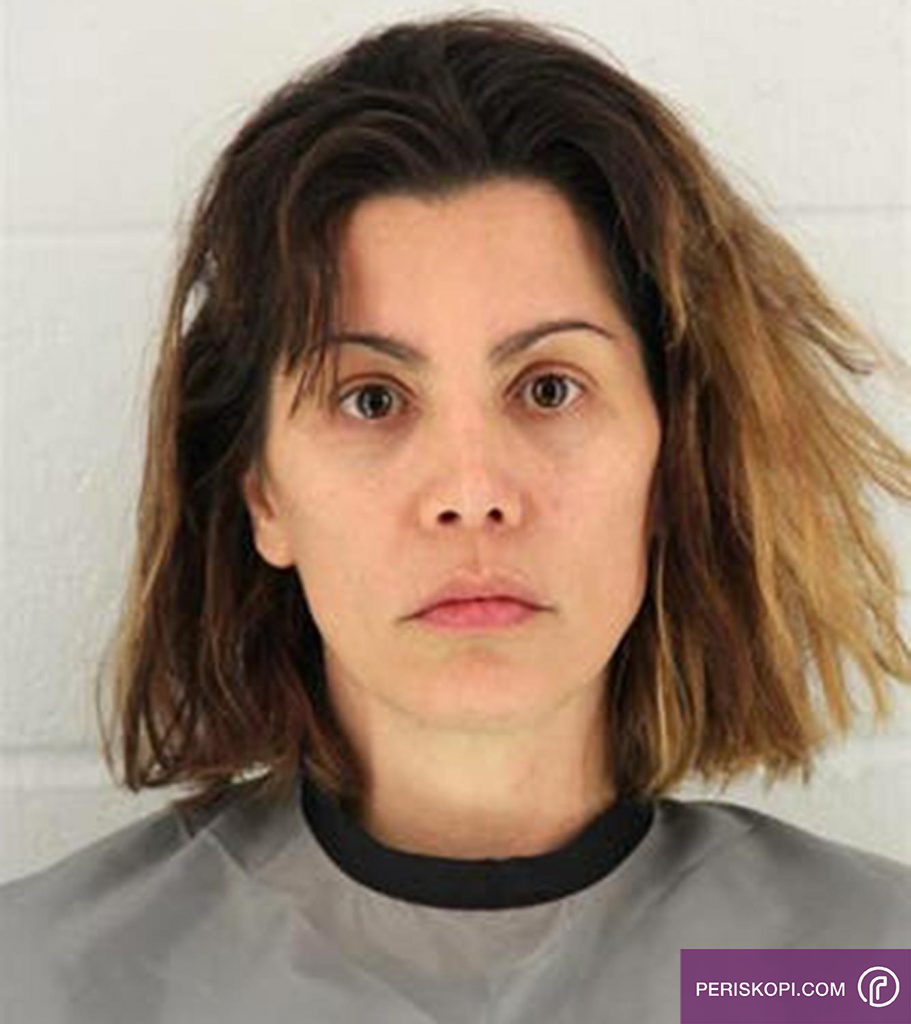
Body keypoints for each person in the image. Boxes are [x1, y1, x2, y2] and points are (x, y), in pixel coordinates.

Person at [2, 11, 910, 1024]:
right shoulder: (48, 984)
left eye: (549, 388)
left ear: (671, 466)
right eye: (371, 399)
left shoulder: (859, 976)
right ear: (262, 492)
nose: (471, 491)